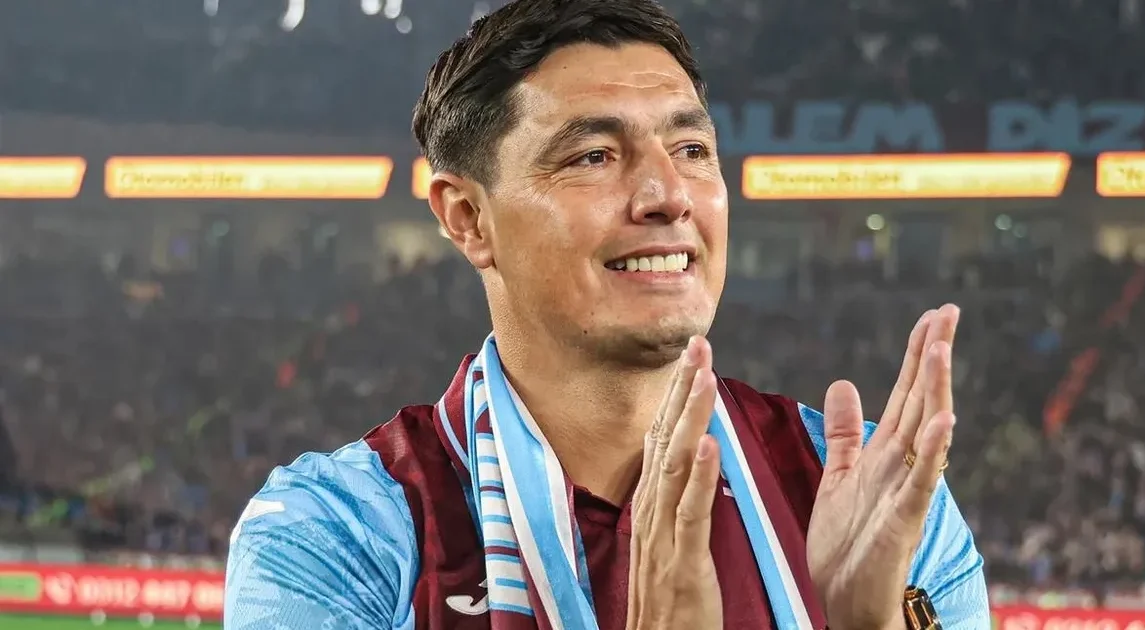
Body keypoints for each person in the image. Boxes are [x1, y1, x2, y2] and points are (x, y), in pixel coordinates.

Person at [223, 0, 989, 627]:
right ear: (468, 219)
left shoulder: (869, 495)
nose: (668, 195)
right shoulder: (338, 534)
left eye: (691, 150)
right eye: (594, 156)